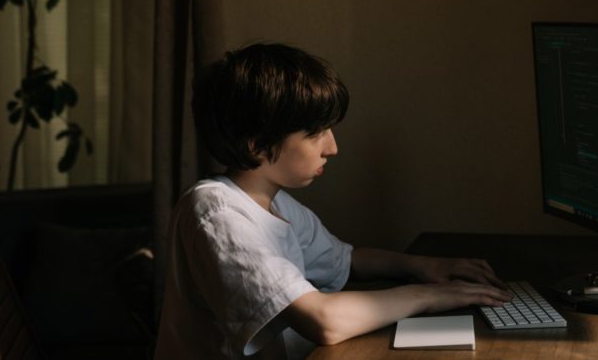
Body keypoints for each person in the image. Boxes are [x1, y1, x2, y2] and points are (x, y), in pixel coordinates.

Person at [154, 43, 512, 359]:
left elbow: (347, 260)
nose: (332, 148)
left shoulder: (273, 202)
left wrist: (425, 266)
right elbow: (324, 321)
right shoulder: (216, 213)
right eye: (316, 134)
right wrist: (431, 296)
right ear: (257, 143)